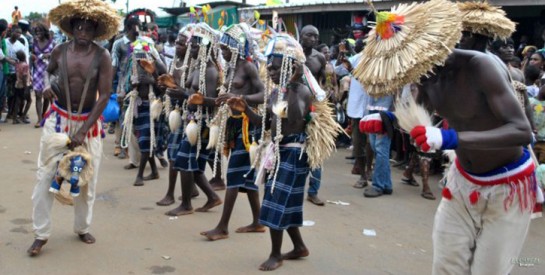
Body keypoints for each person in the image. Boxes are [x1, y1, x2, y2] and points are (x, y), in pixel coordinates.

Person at [357, 1, 537, 273]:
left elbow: (521, 132)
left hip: (508, 187)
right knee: (445, 268)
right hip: (462, 182)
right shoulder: (425, 76)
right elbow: (421, 120)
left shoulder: (481, 67)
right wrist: (388, 121)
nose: (411, 69)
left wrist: (452, 139)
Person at [27, 0, 119, 256]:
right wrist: (46, 84)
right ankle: (41, 234)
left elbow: (104, 95)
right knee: (45, 176)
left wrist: (82, 130)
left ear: (96, 28)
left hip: (88, 126)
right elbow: (46, 71)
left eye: (88, 25)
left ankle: (82, 227)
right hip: (58, 120)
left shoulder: (103, 56)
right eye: (78, 23)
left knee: (87, 179)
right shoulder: (59, 50)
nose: (82, 28)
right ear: (71, 26)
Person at [226, 33, 312, 271]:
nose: (270, 73)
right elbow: (264, 125)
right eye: (269, 68)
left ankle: (276, 254)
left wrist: (293, 84)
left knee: (275, 202)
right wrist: (245, 109)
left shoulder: (301, 91)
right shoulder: (276, 93)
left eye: (275, 69)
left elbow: (294, 118)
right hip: (277, 152)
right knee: (283, 202)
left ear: (289, 66)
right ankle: (299, 247)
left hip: (294, 153)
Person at [200, 23, 266, 241]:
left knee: (234, 176)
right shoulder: (229, 68)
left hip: (248, 127)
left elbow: (263, 95)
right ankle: (257, 222)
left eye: (226, 49)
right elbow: (225, 99)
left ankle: (222, 227)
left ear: (236, 47)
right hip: (233, 124)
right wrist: (206, 101)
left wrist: (241, 100)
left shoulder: (248, 67)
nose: (223, 52)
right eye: (222, 49)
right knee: (246, 178)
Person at [165, 22, 222, 216]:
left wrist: (183, 94)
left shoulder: (210, 70)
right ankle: (213, 197)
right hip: (191, 119)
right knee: (194, 167)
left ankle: (186, 204)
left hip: (201, 123)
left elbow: (214, 102)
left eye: (196, 45)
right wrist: (175, 88)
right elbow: (189, 91)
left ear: (206, 47)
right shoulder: (198, 66)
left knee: (185, 162)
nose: (192, 48)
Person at [122, 21, 167, 187]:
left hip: (152, 106)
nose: (140, 58)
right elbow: (128, 82)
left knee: (146, 140)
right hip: (138, 105)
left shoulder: (158, 64)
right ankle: (154, 171)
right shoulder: (134, 63)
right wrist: (133, 85)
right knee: (144, 139)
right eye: (137, 54)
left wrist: (152, 79)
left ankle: (140, 175)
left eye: (142, 54)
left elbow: (166, 85)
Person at [156, 24, 196, 206]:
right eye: (177, 43)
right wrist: (166, 86)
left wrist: (178, 91)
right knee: (176, 155)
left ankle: (171, 194)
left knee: (175, 156)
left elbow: (193, 93)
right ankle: (192, 190)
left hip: (187, 115)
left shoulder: (193, 66)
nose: (177, 46)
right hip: (175, 112)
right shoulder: (175, 63)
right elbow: (175, 86)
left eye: (181, 44)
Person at [335, 38, 370, 188]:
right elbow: (337, 70)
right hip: (356, 109)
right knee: (358, 144)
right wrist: (342, 55)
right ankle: (362, 174)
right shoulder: (355, 59)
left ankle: (369, 171)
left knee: (371, 145)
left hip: (372, 108)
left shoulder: (378, 61)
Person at [300, 25, 326, 206]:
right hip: (294, 105)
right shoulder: (292, 54)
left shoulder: (320, 57)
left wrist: (324, 101)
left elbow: (324, 82)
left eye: (316, 36)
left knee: (317, 149)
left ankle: (313, 191)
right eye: (310, 35)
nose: (313, 39)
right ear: (301, 36)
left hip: (315, 107)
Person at [111, 16, 142, 162]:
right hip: (123, 85)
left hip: (139, 85)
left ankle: (135, 150)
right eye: (138, 26)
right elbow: (114, 65)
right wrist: (113, 89)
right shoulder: (119, 44)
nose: (140, 29)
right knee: (123, 117)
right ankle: (123, 148)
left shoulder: (142, 43)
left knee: (137, 118)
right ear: (131, 27)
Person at [32, 23, 56, 128]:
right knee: (38, 95)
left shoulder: (52, 43)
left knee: (48, 96)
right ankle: (39, 119)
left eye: (40, 31)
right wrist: (33, 56)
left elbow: (56, 55)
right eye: (36, 32)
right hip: (38, 71)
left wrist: (48, 55)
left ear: (44, 32)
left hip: (49, 71)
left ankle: (44, 116)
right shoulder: (34, 42)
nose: (38, 34)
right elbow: (32, 53)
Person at [5, 26, 27, 123]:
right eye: (17, 32)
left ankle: (12, 112)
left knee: (13, 94)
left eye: (20, 33)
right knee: (8, 93)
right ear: (12, 31)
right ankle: (9, 111)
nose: (18, 35)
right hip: (6, 71)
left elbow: (24, 59)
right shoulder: (5, 42)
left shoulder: (20, 46)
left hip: (16, 73)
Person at [12, 50, 31, 124]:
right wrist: (26, 87)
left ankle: (14, 118)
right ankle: (23, 116)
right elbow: (24, 76)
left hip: (17, 84)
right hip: (24, 85)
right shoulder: (25, 65)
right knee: (29, 101)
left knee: (17, 101)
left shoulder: (17, 64)